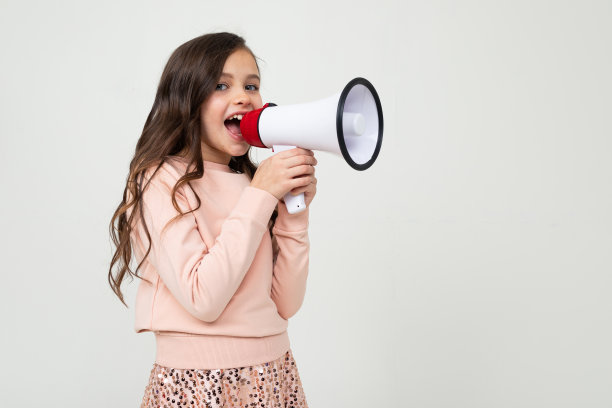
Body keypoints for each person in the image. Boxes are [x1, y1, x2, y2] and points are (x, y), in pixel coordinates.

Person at [108, 32, 317, 407]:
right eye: (222, 84)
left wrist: (291, 217)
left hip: (275, 372)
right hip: (198, 382)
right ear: (187, 100)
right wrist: (261, 196)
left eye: (251, 85)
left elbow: (286, 304)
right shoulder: (160, 179)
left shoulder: (253, 184)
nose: (244, 96)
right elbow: (202, 297)